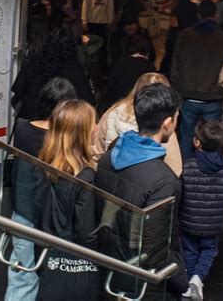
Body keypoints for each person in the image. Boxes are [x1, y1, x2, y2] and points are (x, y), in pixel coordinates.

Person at [95, 83, 189, 299]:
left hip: (108, 269)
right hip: (141, 284)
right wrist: (180, 279)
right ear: (167, 123)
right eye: (176, 118)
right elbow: (155, 249)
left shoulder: (107, 159)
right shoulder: (164, 181)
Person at [6, 77, 77, 301]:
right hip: (53, 217)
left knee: (22, 273)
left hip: (22, 210)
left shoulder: (22, 128)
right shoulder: (63, 140)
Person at [35, 99, 99, 301]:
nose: (97, 128)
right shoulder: (85, 176)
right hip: (74, 264)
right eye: (93, 123)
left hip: (46, 256)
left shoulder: (42, 165)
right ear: (82, 133)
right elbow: (86, 232)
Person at [171, 0, 223, 159]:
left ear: (198, 14)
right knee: (211, 139)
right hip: (213, 96)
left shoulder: (185, 35)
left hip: (188, 95)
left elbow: (175, 63)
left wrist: (176, 87)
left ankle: (184, 171)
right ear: (215, 15)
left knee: (186, 136)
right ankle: (208, 170)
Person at [180, 121, 223, 300]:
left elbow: (180, 192)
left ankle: (189, 280)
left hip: (189, 220)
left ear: (197, 142)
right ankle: (198, 277)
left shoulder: (187, 166)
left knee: (189, 250)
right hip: (214, 223)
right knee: (209, 249)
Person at [92, 72, 182, 177]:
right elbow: (175, 168)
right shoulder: (164, 126)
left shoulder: (112, 113)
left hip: (109, 177)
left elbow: (96, 151)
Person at [11, 27, 94, 120]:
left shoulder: (34, 61)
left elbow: (17, 93)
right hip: (59, 124)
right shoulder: (74, 68)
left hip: (29, 120)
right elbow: (88, 101)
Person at [105, 35, 156, 107]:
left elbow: (111, 84)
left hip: (117, 102)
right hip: (137, 104)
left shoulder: (120, 61)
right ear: (148, 51)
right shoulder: (149, 66)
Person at [81, 0, 114, 72]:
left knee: (103, 48)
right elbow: (85, 5)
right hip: (91, 22)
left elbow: (110, 5)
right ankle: (88, 68)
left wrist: (109, 20)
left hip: (103, 23)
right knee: (90, 47)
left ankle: (103, 70)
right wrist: (84, 20)